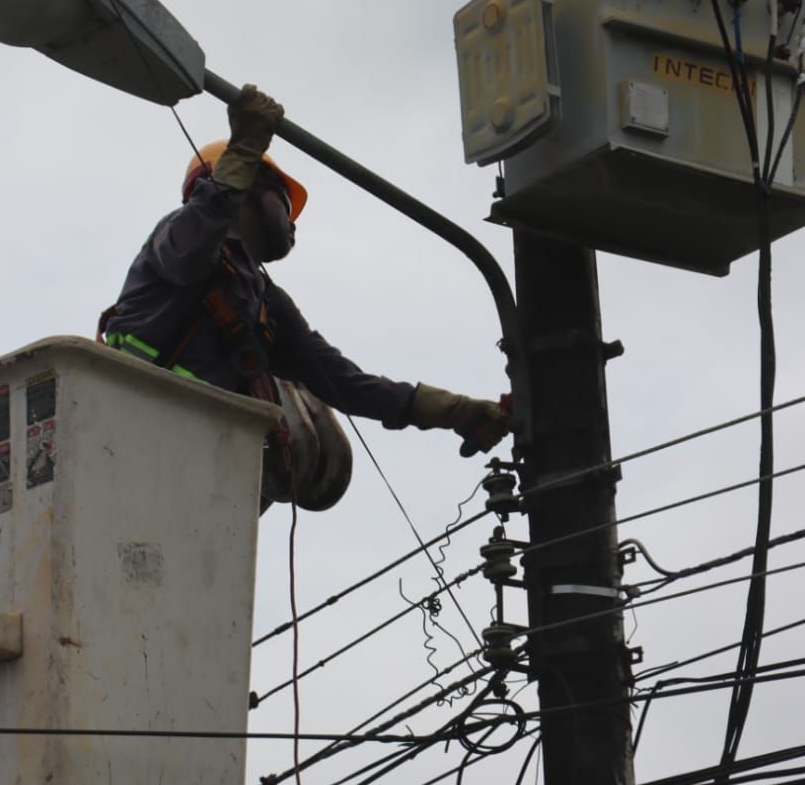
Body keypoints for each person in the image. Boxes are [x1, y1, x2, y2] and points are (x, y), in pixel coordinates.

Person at [98, 85, 511, 488]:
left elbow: (345, 383)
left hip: (197, 462)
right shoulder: (177, 235)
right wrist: (244, 149)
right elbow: (195, 241)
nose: (291, 222)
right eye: (284, 201)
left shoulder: (263, 302)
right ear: (251, 187)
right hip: (124, 431)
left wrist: (454, 411)